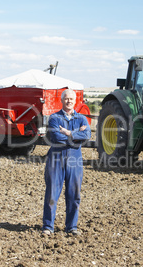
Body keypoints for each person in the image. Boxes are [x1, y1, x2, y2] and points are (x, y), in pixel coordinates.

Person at [42, 89, 91, 236]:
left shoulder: (82, 119)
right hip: (56, 158)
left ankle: (71, 227)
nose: (69, 101)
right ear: (62, 100)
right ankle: (48, 226)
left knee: (74, 194)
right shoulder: (54, 118)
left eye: (71, 99)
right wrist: (76, 137)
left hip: (75, 160)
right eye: (66, 99)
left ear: (75, 101)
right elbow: (56, 137)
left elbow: (87, 134)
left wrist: (69, 133)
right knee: (52, 194)